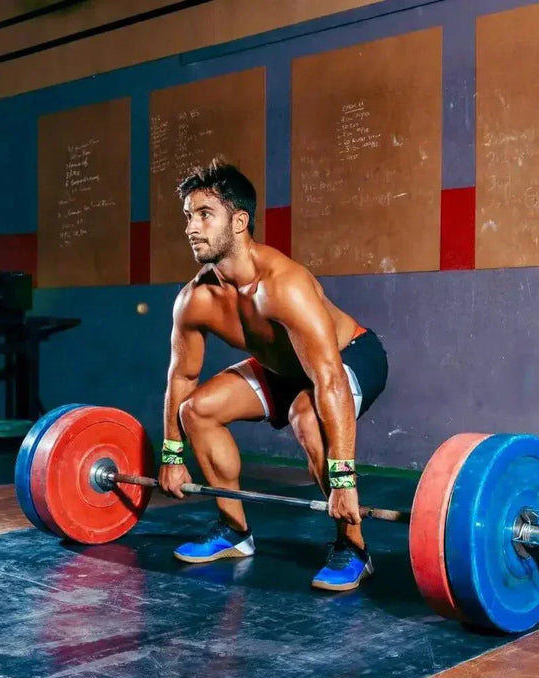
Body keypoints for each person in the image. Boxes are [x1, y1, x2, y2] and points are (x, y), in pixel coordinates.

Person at [157, 159, 388, 591]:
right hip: (284, 368)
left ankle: (354, 547)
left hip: (349, 357)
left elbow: (329, 380)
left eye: (205, 215)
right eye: (188, 216)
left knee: (307, 414)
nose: (191, 227)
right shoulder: (195, 299)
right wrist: (172, 455)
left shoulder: (284, 285)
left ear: (239, 221)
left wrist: (344, 480)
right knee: (197, 410)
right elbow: (182, 378)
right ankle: (234, 530)